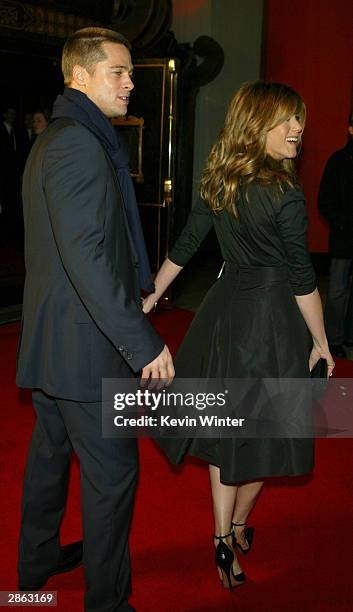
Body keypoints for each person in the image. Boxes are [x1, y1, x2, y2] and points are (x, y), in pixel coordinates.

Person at [143, 81, 334, 591]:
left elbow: (185, 244)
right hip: (272, 321)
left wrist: (153, 293)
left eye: (299, 120)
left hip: (224, 313)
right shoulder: (285, 193)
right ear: (258, 123)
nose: (298, 129)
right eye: (287, 121)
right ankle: (238, 528)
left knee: (224, 428)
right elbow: (301, 277)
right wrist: (321, 341)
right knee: (263, 434)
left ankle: (221, 537)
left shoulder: (219, 179)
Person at [16, 27, 174, 612]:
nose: (132, 82)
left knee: (50, 460)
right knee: (111, 478)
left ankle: (33, 568)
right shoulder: (80, 144)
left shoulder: (58, 139)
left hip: (58, 343)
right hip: (87, 349)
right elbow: (84, 258)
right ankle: (107, 603)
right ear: (80, 76)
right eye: (120, 71)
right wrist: (143, 343)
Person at [318, 111, 353, 358]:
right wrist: (341, 224)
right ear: (351, 128)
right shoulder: (338, 160)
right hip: (344, 236)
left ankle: (350, 335)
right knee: (338, 291)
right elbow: (325, 200)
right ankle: (334, 339)